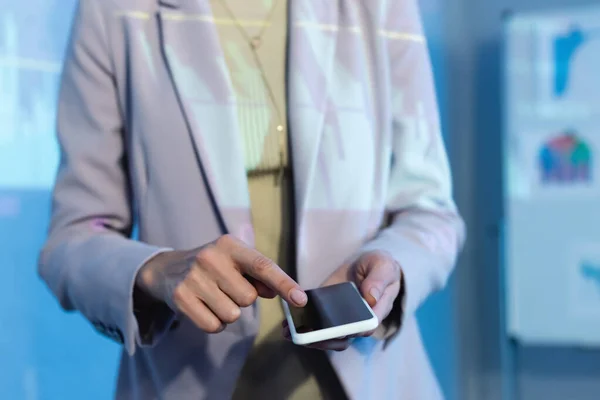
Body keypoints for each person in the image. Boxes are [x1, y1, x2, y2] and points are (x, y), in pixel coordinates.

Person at [39, 0, 465, 399]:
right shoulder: (115, 11)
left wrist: (392, 268)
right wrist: (156, 271)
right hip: (184, 381)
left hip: (372, 381)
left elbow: (431, 212)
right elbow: (72, 239)